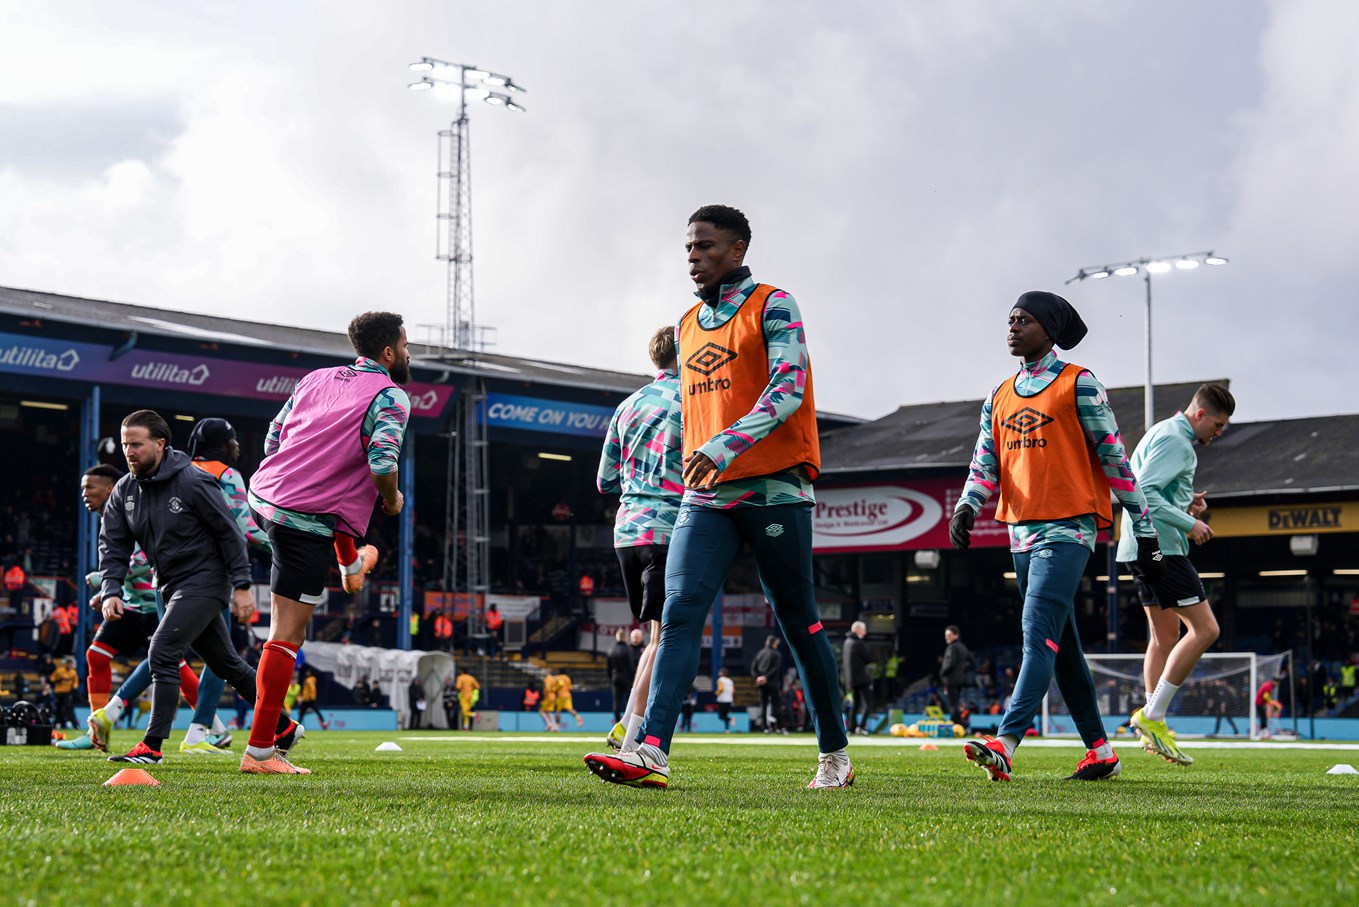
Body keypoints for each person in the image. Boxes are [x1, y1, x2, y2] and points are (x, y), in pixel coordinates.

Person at [586, 205, 851, 791]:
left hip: (775, 488)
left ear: (736, 250)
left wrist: (723, 445)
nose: (693, 256)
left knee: (798, 622)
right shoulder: (688, 324)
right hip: (706, 496)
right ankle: (650, 750)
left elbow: (788, 387)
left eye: (704, 245)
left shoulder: (774, 305)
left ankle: (834, 753)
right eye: (688, 247)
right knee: (679, 613)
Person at [950, 291, 1164, 782]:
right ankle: (1101, 751)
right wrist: (967, 504)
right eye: (1010, 319)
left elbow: (1114, 458)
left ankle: (1005, 742)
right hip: (1020, 534)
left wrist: (1145, 529)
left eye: (1023, 320)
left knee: (1036, 631)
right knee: (1060, 646)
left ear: (1048, 331)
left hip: (1068, 529)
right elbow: (985, 462)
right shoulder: (998, 395)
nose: (1012, 327)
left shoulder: (1080, 384)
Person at [245, 311, 411, 773]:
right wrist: (393, 500)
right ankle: (260, 752)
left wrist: (298, 474)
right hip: (302, 520)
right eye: (405, 346)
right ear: (389, 352)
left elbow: (273, 438)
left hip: (267, 498)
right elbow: (382, 464)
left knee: (336, 499)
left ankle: (350, 563)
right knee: (287, 636)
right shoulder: (390, 395)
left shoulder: (315, 378)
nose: (408, 354)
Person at [97, 409, 291, 766]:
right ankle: (285, 725)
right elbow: (113, 544)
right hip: (169, 584)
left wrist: (242, 586)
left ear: (160, 444)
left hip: (206, 581)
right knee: (228, 665)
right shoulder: (125, 489)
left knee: (162, 650)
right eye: (125, 445)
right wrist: (110, 589)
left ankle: (152, 747)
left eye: (136, 444)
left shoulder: (193, 480)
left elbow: (230, 533)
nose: (129, 452)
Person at [1118, 384, 1235, 766]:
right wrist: (1190, 523)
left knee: (1164, 636)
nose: (1219, 433)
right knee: (1206, 630)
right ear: (1200, 414)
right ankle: (1152, 716)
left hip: (1138, 545)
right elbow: (1145, 493)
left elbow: (1153, 490)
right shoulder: (1178, 441)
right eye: (1217, 425)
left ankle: (1153, 725)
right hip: (1162, 548)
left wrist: (1186, 503)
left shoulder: (1161, 430)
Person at [596, 325, 684, 752]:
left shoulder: (627, 406)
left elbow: (604, 480)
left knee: (655, 636)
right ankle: (632, 736)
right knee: (665, 639)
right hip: (665, 529)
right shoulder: (691, 401)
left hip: (627, 530)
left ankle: (625, 725)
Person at [182, 416, 276, 753]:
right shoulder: (226, 475)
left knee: (167, 653)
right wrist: (285, 547)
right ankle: (197, 731)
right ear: (223, 444)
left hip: (167, 575)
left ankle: (209, 729)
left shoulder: (178, 472)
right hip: (210, 576)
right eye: (234, 440)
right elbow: (246, 529)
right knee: (218, 656)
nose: (237, 446)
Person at [842, 621, 873, 736]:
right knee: (868, 703)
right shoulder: (858, 643)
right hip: (861, 679)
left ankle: (851, 728)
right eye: (864, 629)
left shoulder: (847, 642)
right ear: (858, 630)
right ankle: (861, 727)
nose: (865, 632)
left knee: (855, 705)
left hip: (850, 680)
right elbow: (869, 658)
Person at [939, 625, 973, 727]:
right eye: (946, 635)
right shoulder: (963, 647)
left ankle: (959, 725)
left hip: (951, 679)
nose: (947, 637)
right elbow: (972, 662)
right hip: (960, 679)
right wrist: (961, 669)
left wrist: (942, 673)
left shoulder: (952, 647)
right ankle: (956, 725)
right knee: (955, 703)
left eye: (949, 635)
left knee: (952, 704)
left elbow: (950, 663)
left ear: (956, 635)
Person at [751, 635, 784, 732]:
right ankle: (779, 727)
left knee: (763, 705)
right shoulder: (776, 653)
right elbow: (775, 668)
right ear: (775, 643)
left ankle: (765, 727)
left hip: (761, 684)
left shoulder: (760, 653)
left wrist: (758, 677)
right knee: (776, 704)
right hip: (772, 683)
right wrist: (766, 677)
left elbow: (753, 668)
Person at [606, 629, 636, 724]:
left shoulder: (611, 650)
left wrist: (611, 678)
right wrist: (633, 679)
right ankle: (628, 723)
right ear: (625, 637)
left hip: (615, 678)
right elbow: (631, 666)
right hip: (626, 678)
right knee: (629, 702)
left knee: (616, 702)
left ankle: (617, 722)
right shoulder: (627, 649)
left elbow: (608, 668)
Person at [50, 656, 78, 729]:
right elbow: (52, 678)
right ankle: (56, 724)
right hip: (58, 692)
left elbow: (75, 682)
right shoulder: (59, 670)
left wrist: (73, 689)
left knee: (69, 708)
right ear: (66, 664)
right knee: (58, 708)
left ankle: (75, 725)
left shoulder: (73, 672)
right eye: (68, 664)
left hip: (67, 693)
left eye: (71, 664)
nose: (69, 665)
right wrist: (57, 680)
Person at [714, 667, 734, 733]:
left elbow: (721, 689)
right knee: (725, 715)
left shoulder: (720, 679)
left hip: (722, 700)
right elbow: (733, 691)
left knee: (721, 716)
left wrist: (716, 693)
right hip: (729, 700)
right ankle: (727, 729)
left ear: (721, 673)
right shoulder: (730, 680)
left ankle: (730, 719)